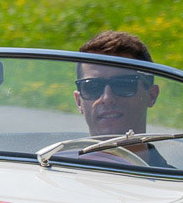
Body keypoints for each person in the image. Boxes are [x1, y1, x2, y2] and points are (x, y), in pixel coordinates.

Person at [72, 30, 170, 166]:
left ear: (152, 95)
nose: (107, 98)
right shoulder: (54, 171)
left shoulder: (174, 179)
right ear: (79, 101)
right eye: (92, 86)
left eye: (123, 84)